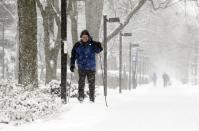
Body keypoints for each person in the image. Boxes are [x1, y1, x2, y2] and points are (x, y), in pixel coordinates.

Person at [70, 30, 103, 102]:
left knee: (91, 84)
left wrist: (99, 45)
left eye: (86, 37)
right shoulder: (77, 45)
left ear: (88, 37)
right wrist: (72, 65)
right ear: (81, 37)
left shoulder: (92, 44)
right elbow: (73, 56)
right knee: (81, 83)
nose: (84, 38)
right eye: (83, 37)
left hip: (91, 68)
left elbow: (98, 50)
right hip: (81, 67)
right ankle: (81, 98)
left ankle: (91, 98)